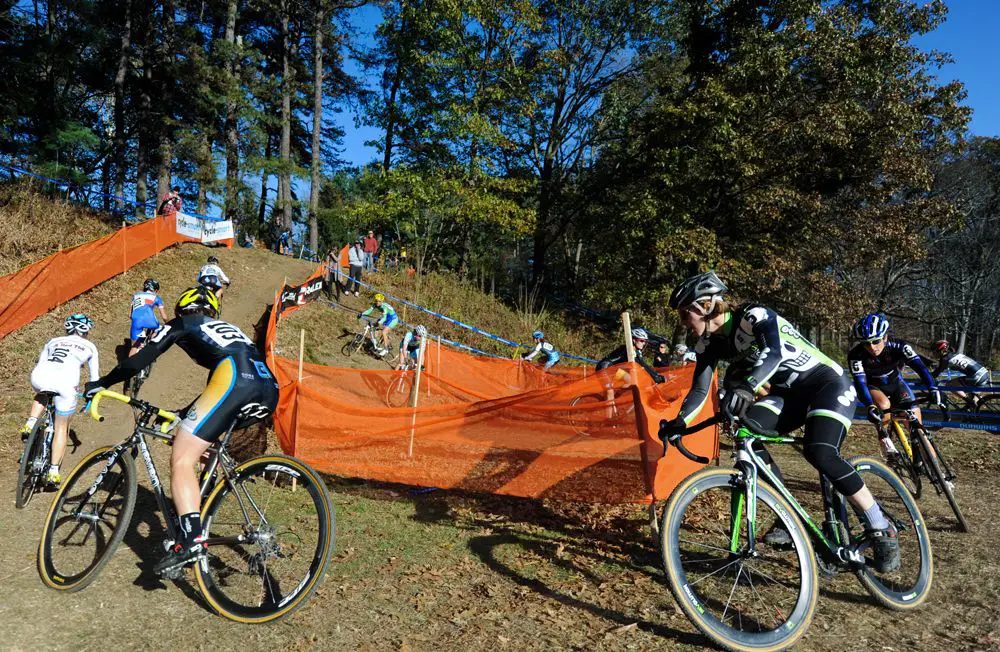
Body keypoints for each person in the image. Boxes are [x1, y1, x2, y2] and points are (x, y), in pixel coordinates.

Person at [661, 271, 900, 572]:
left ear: (707, 306)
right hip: (789, 394)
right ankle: (788, 516)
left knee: (820, 451)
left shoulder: (753, 315)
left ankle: (880, 525)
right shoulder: (709, 345)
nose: (683, 322)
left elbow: (772, 353)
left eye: (686, 314)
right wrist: (679, 422)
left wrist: (747, 387)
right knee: (745, 431)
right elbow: (699, 389)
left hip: (827, 383)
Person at [84, 286, 278, 576]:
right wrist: (181, 415)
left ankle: (191, 540)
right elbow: (214, 391)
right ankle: (197, 514)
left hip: (235, 380)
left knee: (182, 458)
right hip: (268, 388)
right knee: (199, 448)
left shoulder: (184, 323)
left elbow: (139, 361)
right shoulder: (231, 332)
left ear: (182, 310)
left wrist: (104, 382)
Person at [20, 314, 100, 487]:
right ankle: (53, 472)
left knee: (42, 393)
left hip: (40, 376)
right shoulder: (90, 346)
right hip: (65, 383)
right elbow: (95, 379)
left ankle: (31, 421)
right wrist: (91, 395)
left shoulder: (53, 340)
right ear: (87, 331)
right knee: (61, 427)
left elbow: (40, 362)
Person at [847, 313, 941, 458]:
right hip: (873, 387)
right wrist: (870, 406)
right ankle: (885, 440)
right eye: (866, 343)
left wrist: (932, 387)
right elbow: (860, 382)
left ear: (885, 336)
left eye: (876, 341)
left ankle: (937, 473)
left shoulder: (899, 346)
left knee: (916, 426)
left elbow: (921, 368)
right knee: (884, 405)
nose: (872, 347)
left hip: (896, 384)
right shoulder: (856, 355)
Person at [930, 340, 990, 409]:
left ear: (940, 351)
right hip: (984, 373)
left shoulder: (945, 359)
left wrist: (926, 378)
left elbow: (936, 373)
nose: (933, 354)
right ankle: (972, 415)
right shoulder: (954, 354)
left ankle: (968, 401)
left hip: (976, 376)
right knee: (973, 403)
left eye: (934, 351)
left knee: (949, 385)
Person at [596, 327, 664, 384]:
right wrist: (657, 378)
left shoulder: (636, 352)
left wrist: (656, 376)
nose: (644, 343)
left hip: (614, 370)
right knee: (610, 392)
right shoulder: (628, 351)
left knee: (631, 381)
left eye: (645, 341)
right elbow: (641, 365)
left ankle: (620, 396)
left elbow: (644, 366)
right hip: (604, 369)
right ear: (634, 340)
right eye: (642, 341)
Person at [129, 279, 169, 356]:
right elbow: (164, 317)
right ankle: (151, 344)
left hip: (136, 321)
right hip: (150, 321)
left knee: (134, 346)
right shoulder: (156, 298)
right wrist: (169, 323)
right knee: (160, 329)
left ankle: (129, 365)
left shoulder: (135, 296)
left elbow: (130, 315)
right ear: (155, 290)